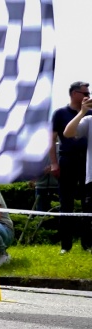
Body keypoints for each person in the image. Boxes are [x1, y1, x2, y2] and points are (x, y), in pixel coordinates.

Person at [50, 81, 90, 254]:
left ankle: (87, 244)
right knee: (66, 203)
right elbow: (52, 139)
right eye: (84, 92)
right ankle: (65, 245)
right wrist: (54, 162)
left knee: (88, 204)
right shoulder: (60, 113)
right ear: (74, 94)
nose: (88, 95)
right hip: (67, 160)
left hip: (87, 162)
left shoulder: (90, 113)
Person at [61, 96, 92, 253]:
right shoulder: (89, 120)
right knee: (89, 213)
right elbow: (68, 133)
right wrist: (82, 112)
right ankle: (87, 246)